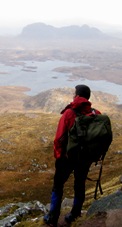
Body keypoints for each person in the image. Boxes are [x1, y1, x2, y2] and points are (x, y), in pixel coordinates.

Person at [43, 84, 101, 227]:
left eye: (74, 94)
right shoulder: (96, 114)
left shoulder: (69, 113)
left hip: (67, 158)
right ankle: (74, 215)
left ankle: (52, 218)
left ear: (77, 96)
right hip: (85, 158)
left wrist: (58, 156)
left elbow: (59, 138)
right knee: (79, 185)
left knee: (58, 186)